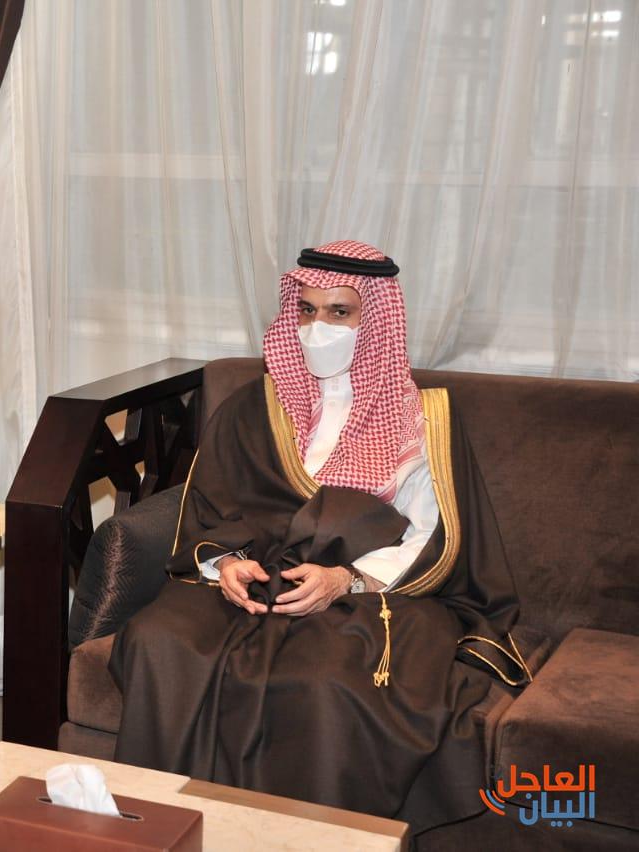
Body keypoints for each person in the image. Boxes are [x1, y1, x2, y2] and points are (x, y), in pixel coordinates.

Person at [109, 240, 530, 832]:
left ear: (375, 320)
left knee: (321, 680)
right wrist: (225, 563)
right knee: (157, 638)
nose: (316, 328)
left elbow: (433, 537)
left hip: (364, 595)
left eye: (339, 312)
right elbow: (211, 502)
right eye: (306, 310)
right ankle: (164, 829)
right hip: (257, 580)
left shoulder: (420, 419)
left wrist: (345, 579)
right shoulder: (257, 406)